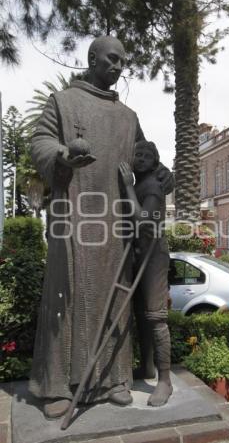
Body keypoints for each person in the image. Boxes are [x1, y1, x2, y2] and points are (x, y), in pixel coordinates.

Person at [29, 36, 174, 419]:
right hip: (73, 219)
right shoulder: (62, 102)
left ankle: (113, 380)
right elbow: (39, 141)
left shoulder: (128, 117)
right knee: (69, 297)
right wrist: (62, 153)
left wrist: (162, 174)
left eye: (122, 62)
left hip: (114, 227)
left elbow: (146, 159)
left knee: (115, 303)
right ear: (92, 58)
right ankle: (57, 386)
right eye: (111, 60)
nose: (118, 67)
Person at [119, 140, 173, 407]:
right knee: (141, 315)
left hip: (153, 256)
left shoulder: (151, 185)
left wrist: (127, 187)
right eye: (136, 154)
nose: (140, 158)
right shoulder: (140, 183)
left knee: (155, 317)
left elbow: (143, 221)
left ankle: (165, 381)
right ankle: (148, 367)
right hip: (138, 254)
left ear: (155, 161)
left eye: (146, 155)